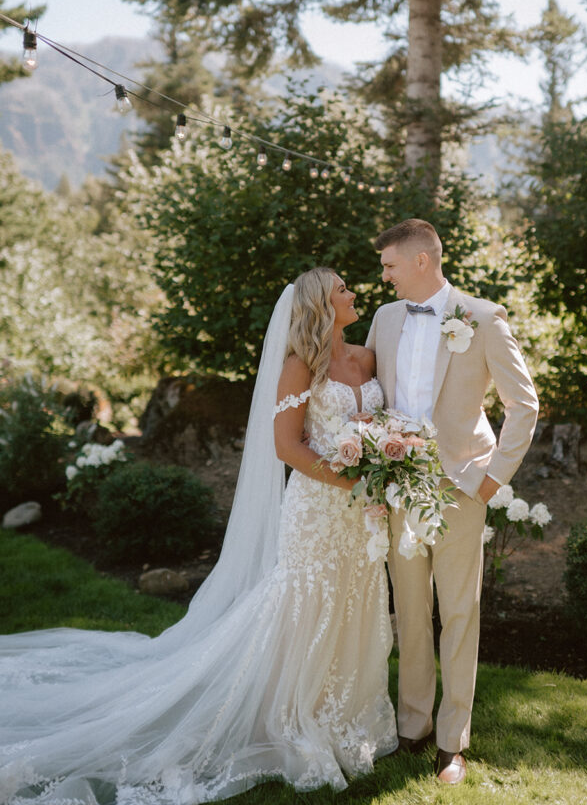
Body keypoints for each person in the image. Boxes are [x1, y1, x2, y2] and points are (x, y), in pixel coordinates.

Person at [0, 267, 397, 805]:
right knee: (308, 601)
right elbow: (288, 446)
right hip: (318, 510)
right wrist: (351, 476)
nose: (353, 293)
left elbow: (389, 425)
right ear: (321, 307)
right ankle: (288, 708)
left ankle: (345, 709)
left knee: (356, 600)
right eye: (342, 290)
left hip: (362, 515)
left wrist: (388, 461)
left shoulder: (369, 358)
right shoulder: (300, 368)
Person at [366, 219, 539, 786]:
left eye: (389, 264)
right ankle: (411, 726)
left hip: (461, 487)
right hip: (398, 487)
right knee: (409, 612)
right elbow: (370, 398)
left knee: (459, 613)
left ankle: (452, 742)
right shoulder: (385, 319)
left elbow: (524, 405)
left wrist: (492, 481)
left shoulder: (483, 319)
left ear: (421, 261)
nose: (383, 275)